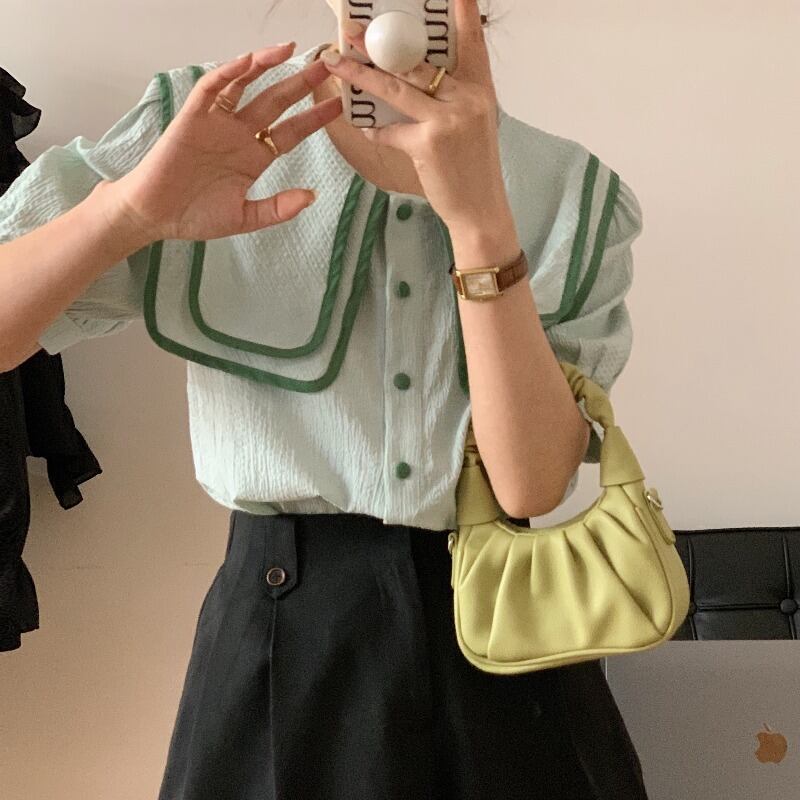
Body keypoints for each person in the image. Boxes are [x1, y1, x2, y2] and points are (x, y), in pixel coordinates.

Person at [0, 0, 649, 797]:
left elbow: (531, 487)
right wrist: (128, 214)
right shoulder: (203, 123)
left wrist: (481, 220)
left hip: (509, 651)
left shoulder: (573, 192)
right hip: (282, 648)